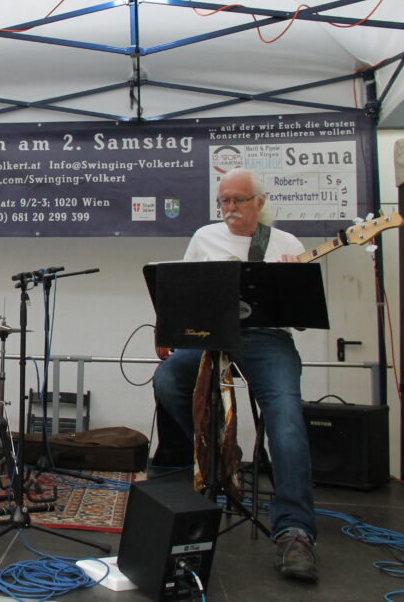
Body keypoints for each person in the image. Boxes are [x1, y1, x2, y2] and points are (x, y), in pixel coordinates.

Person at [152, 167, 318, 583]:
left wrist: (291, 282)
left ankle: (294, 531)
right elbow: (182, 294)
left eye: (238, 200)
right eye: (224, 200)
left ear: (259, 202)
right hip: (211, 337)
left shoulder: (286, 244)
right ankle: (219, 452)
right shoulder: (203, 238)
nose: (229, 208)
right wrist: (168, 329)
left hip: (267, 339)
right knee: (168, 379)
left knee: (287, 418)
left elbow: (301, 320)